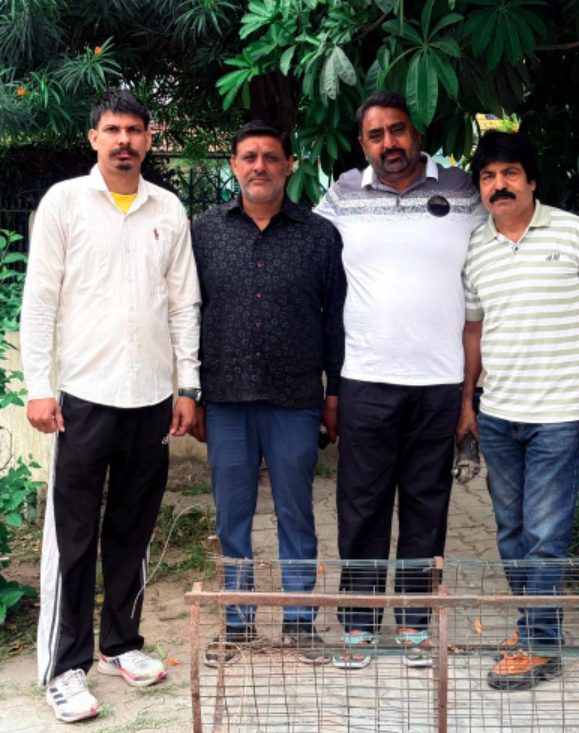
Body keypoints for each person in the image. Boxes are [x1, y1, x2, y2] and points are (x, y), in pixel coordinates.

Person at [20, 89, 201, 722]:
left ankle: (121, 643)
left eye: (135, 130)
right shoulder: (65, 202)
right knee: (72, 536)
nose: (124, 140)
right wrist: (38, 386)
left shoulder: (167, 208)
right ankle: (64, 666)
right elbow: (40, 300)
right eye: (113, 130)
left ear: (149, 140)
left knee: (133, 529)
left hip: (150, 399)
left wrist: (187, 386)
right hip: (81, 400)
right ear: (94, 138)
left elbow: (183, 303)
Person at [315, 92, 487, 668]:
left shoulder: (462, 191)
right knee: (361, 507)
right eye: (376, 135)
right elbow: (306, 252)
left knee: (426, 506)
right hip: (366, 379)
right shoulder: (342, 195)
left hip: (440, 382)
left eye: (398, 130)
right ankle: (358, 626)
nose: (389, 143)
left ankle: (415, 624)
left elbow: (501, 251)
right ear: (362, 144)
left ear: (417, 133)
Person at [458, 130, 579, 690]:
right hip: (499, 413)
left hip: (559, 413)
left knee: (544, 536)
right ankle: (533, 628)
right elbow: (474, 331)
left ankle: (540, 644)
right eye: (488, 176)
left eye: (510, 173)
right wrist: (467, 401)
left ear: (531, 180)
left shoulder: (573, 232)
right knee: (510, 532)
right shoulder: (476, 247)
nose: (499, 185)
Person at [190, 121, 345, 666]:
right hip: (226, 397)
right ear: (234, 165)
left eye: (271, 157)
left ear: (289, 165)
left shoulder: (319, 235)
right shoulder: (204, 232)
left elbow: (335, 320)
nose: (260, 166)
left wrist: (334, 392)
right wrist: (191, 392)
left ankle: (300, 621)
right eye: (250, 157)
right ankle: (237, 622)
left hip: (295, 398)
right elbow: (187, 312)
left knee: (296, 513)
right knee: (231, 515)